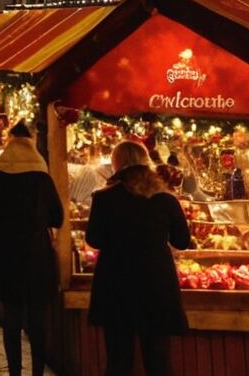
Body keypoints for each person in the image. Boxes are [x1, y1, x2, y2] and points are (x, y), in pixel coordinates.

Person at [87, 140, 191, 376]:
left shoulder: (104, 198)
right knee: (158, 362)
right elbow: (182, 241)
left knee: (118, 361)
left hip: (115, 286)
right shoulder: (166, 199)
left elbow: (94, 240)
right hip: (156, 286)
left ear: (117, 164)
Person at [0, 120, 63, 376]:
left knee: (12, 318)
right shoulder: (41, 175)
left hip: (5, 252)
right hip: (37, 252)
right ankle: (37, 371)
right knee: (38, 319)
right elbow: (57, 216)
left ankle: (15, 371)